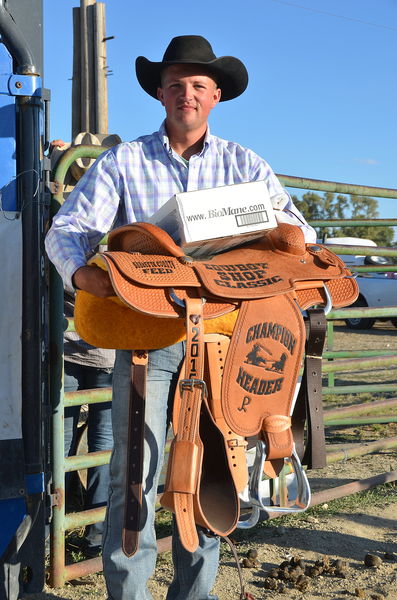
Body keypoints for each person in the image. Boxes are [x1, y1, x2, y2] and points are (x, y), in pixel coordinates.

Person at [45, 35, 316, 600]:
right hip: (147, 336)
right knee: (132, 474)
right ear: (161, 94)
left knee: (214, 470)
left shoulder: (246, 164)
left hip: (222, 337)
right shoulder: (124, 161)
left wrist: (279, 242)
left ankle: (195, 593)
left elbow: (300, 233)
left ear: (215, 95)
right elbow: (67, 230)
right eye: (175, 85)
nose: (186, 94)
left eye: (197, 85)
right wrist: (81, 273)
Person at [49, 140, 115, 558]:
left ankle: (80, 526)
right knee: (98, 441)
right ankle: (93, 532)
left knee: (70, 433)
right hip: (96, 345)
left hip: (87, 344)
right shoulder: (116, 218)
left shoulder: (62, 215)